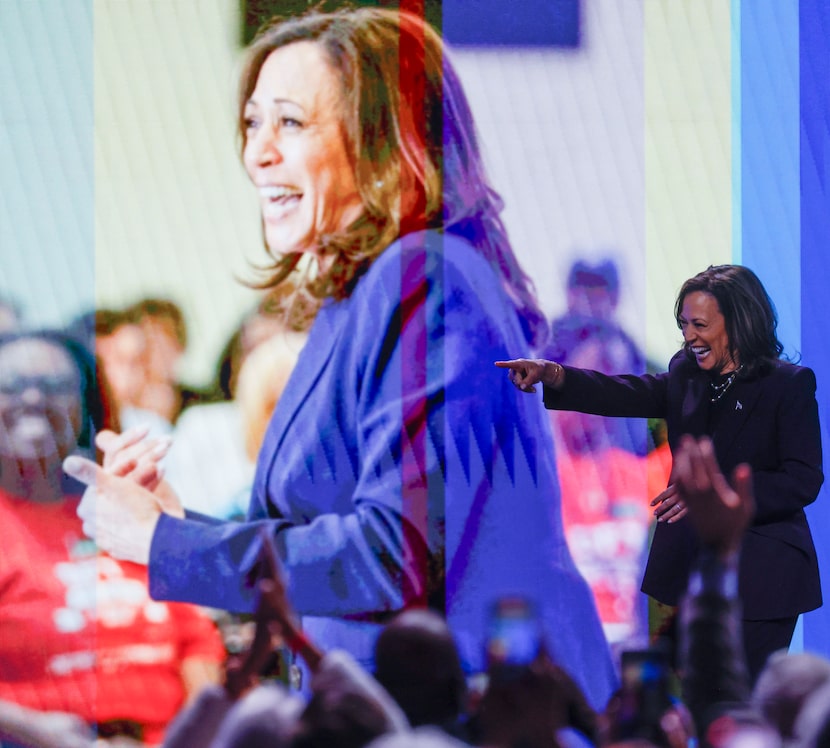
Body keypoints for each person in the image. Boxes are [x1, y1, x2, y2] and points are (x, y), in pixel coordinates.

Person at [62, 6, 617, 709]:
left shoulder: (424, 278)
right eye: (253, 123)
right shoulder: (368, 290)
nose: (257, 152)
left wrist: (170, 546)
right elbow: (330, 537)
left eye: (290, 123)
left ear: (385, 141)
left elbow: (392, 556)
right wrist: (176, 529)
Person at [497, 264, 823, 683]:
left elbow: (802, 479)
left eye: (700, 324)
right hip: (684, 569)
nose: (689, 336)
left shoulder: (788, 385)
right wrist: (555, 375)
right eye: (684, 324)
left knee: (738, 700)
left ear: (738, 322)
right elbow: (628, 392)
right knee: (661, 695)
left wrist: (709, 494)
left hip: (765, 576)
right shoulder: (687, 373)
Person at [0, 330, 226, 746]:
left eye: (54, 386)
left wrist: (195, 736)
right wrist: (34, 730)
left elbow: (196, 641)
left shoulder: (123, 505)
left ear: (86, 405)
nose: (32, 399)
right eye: (10, 385)